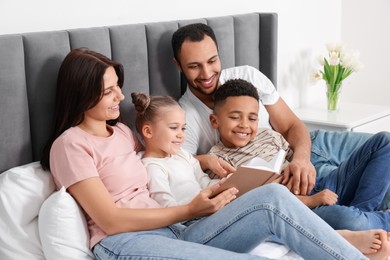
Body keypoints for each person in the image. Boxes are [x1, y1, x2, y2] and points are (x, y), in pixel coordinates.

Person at [39, 48, 390, 260]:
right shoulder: (70, 145)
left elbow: (159, 159)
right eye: (108, 91)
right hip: (125, 241)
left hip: (176, 228)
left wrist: (201, 161)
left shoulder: (121, 132)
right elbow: (112, 220)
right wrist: (190, 209)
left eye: (118, 86)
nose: (119, 97)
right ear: (82, 94)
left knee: (272, 196)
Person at [132, 90, 389, 256]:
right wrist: (203, 201)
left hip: (308, 186)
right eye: (174, 128)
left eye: (184, 129)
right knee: (348, 219)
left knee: (383, 141)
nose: (181, 135)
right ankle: (362, 228)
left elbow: (202, 181)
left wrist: (225, 183)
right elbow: (166, 208)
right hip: (209, 217)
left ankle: (366, 218)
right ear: (148, 132)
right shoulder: (152, 166)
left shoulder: (186, 157)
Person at [171, 22, 375, 198]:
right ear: (178, 65)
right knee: (365, 187)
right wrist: (204, 159)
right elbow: (176, 165)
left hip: (306, 145)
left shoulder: (248, 75)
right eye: (194, 66)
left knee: (383, 145)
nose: (206, 73)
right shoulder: (184, 116)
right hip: (283, 174)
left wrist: (302, 159)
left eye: (212, 60)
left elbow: (291, 125)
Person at [207, 78, 390, 233]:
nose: (245, 125)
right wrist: (312, 200)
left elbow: (301, 161)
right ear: (215, 121)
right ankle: (372, 220)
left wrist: (304, 164)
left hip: (323, 185)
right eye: (235, 117)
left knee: (383, 140)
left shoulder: (269, 135)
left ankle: (365, 214)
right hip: (300, 208)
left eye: (252, 118)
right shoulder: (218, 160)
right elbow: (257, 204)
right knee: (347, 220)